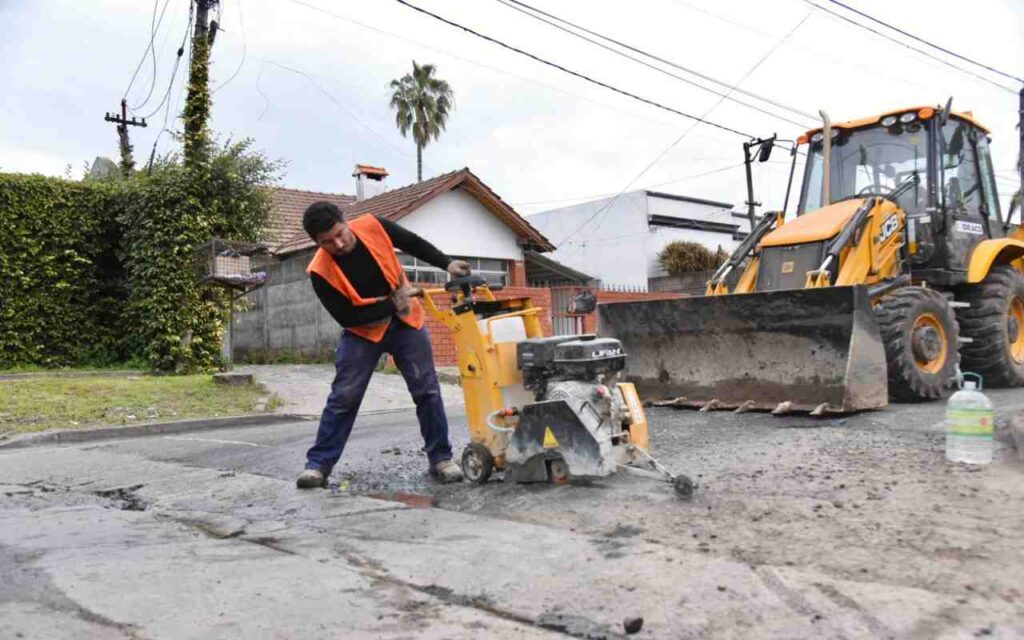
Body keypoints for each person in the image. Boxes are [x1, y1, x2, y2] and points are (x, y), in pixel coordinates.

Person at [295, 201, 470, 489]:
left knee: (427, 391)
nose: (338, 243)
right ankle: (318, 466)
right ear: (316, 242)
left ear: (345, 221)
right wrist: (392, 302)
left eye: (340, 233)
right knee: (344, 398)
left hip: (406, 323)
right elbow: (346, 316)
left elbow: (410, 242)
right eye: (327, 242)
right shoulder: (319, 272)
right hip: (362, 332)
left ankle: (441, 458)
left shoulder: (374, 225)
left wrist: (446, 262)